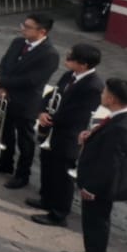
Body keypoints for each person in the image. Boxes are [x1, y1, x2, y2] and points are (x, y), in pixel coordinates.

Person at [56, 79, 127, 252]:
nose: (101, 94)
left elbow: (110, 164)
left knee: (96, 224)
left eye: (104, 92)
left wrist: (92, 188)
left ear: (112, 98)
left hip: (101, 187)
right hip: (103, 183)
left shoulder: (121, 128)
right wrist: (91, 137)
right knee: (93, 223)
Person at [29, 44, 105, 227]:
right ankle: (46, 199)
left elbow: (78, 113)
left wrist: (52, 118)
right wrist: (41, 111)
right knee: (47, 166)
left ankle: (59, 214)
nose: (67, 58)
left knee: (62, 175)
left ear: (84, 64)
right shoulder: (69, 75)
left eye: (71, 57)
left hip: (68, 135)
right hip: (53, 131)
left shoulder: (93, 86)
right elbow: (52, 95)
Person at [0, 13, 60, 190]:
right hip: (5, 96)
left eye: (28, 27)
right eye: (23, 25)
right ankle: (4, 163)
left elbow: (32, 80)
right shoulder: (18, 43)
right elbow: (3, 64)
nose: (22, 29)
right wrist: (0, 87)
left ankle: (22, 174)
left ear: (42, 31)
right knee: (5, 132)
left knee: (25, 139)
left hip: (26, 102)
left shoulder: (49, 54)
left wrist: (3, 83)